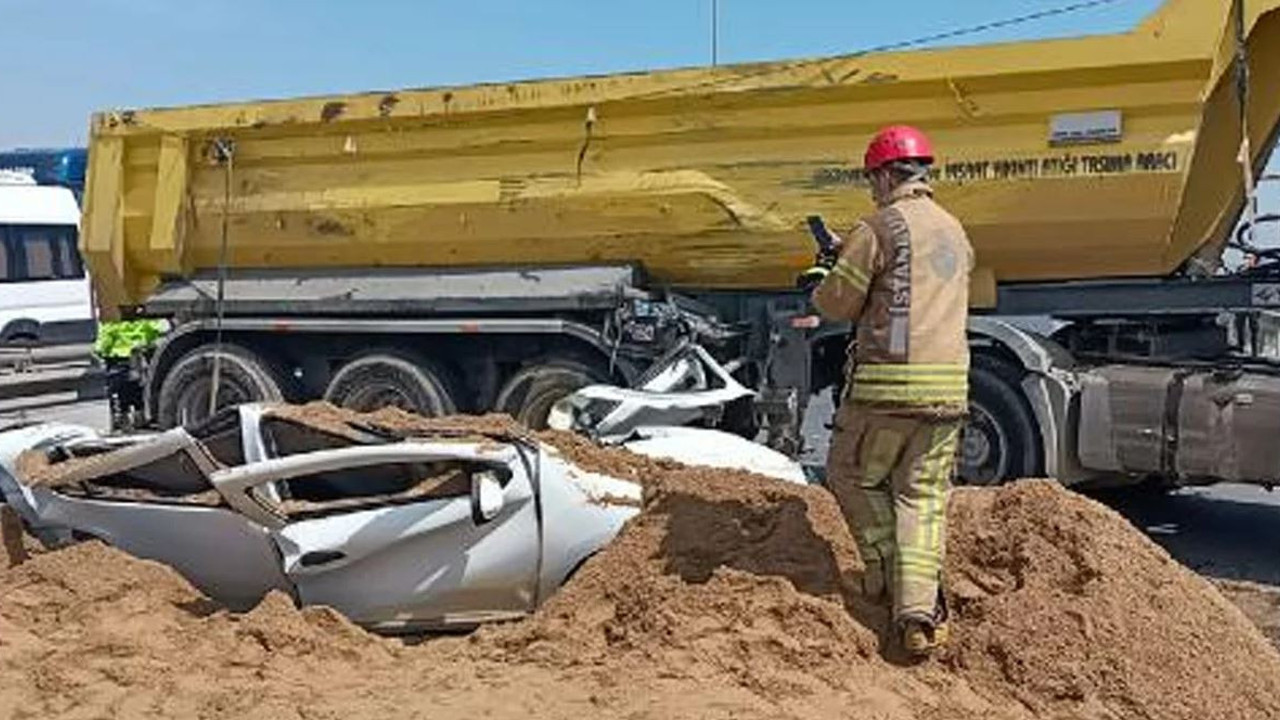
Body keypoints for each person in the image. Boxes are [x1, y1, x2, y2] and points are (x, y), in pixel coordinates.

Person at [799, 125, 973, 658]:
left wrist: (825, 273)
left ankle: (883, 576)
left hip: (887, 391)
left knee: (851, 474)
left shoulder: (879, 227)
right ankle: (918, 612)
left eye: (871, 179)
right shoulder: (954, 231)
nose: (872, 190)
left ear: (883, 176)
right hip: (949, 393)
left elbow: (837, 304)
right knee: (922, 496)